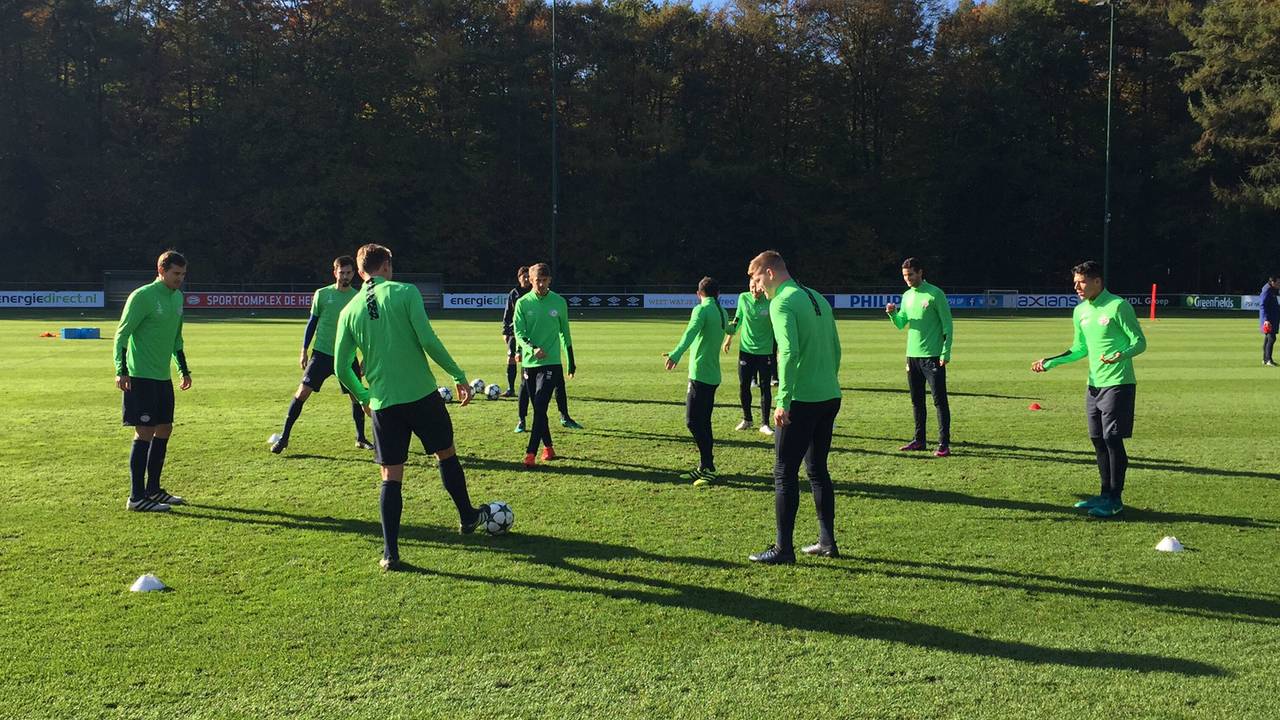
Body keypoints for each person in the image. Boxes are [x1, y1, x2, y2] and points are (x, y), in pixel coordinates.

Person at [334, 244, 491, 571]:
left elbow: (341, 366)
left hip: (383, 403)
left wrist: (363, 397)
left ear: (360, 272)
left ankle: (390, 553)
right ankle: (467, 516)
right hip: (421, 395)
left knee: (391, 476)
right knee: (445, 454)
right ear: (387, 265)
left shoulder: (349, 310)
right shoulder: (406, 292)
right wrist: (458, 375)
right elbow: (428, 339)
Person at [745, 251, 842, 565]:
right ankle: (827, 542)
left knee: (784, 473)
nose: (757, 287)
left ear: (770, 273)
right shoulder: (816, 297)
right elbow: (836, 347)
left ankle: (783, 549)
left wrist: (783, 400)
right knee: (817, 470)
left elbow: (788, 351)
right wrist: (827, 380)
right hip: (829, 395)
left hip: (802, 399)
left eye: (757, 279)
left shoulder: (782, 302)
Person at [1031, 260, 1147, 518]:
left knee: (1112, 440)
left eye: (1082, 282)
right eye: (1075, 283)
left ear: (1097, 281)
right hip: (1093, 385)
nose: (1077, 287)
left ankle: (1115, 499)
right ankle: (1104, 494)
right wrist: (1050, 362)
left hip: (1118, 383)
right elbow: (1079, 348)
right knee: (1097, 439)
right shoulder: (1080, 311)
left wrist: (1121, 355)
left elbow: (1140, 342)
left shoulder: (1118, 306)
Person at [114, 250, 193, 512]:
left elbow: (176, 339)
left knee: (165, 428)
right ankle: (136, 497)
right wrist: (121, 370)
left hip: (162, 377)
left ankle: (154, 490)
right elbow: (122, 335)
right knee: (144, 431)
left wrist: (183, 370)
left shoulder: (177, 298)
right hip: (140, 376)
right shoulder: (142, 296)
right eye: (176, 273)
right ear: (161, 271)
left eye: (183, 274)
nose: (180, 279)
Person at [270, 256, 371, 454]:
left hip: (347, 356)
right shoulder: (322, 294)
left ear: (354, 274)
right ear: (335, 273)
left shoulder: (359, 297)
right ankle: (284, 438)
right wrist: (304, 350)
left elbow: (364, 330)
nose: (345, 276)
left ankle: (360, 438)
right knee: (301, 393)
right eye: (341, 272)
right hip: (322, 355)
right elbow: (312, 323)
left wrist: (365, 358)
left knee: (357, 397)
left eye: (348, 273)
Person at [885, 257, 954, 457]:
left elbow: (947, 325)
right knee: (917, 401)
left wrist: (946, 351)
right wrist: (892, 314)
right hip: (912, 356)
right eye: (905, 275)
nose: (907, 279)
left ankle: (944, 444)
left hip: (932, 356)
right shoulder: (907, 296)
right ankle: (919, 440)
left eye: (910, 275)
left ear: (920, 272)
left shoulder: (935, 294)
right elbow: (901, 323)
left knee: (939, 401)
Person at [666, 277, 729, 486]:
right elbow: (729, 330)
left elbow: (690, 333)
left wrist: (675, 354)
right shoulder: (722, 311)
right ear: (718, 294)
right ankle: (705, 466)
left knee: (692, 421)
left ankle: (709, 466)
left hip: (700, 374)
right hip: (712, 374)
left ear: (698, 293)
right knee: (703, 422)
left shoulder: (701, 310)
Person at [513, 262, 577, 467]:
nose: (540, 284)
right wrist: (532, 348)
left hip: (552, 363)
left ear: (550, 280)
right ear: (530, 280)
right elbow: (519, 333)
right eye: (537, 280)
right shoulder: (522, 303)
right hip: (530, 363)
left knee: (540, 405)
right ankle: (548, 447)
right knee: (539, 410)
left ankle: (530, 453)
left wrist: (571, 360)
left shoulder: (559, 302)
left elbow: (565, 332)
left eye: (544, 280)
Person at [722, 276, 775, 436]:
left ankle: (765, 423)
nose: (753, 290)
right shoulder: (743, 298)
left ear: (762, 287)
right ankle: (747, 419)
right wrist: (728, 338)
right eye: (751, 286)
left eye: (756, 287)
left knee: (765, 387)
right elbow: (738, 319)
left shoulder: (771, 301)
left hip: (765, 351)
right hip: (746, 350)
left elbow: (777, 325)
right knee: (744, 385)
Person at [501, 266, 531, 396]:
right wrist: (505, 332)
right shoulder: (514, 293)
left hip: (530, 331)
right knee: (511, 358)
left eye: (528, 276)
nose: (526, 279)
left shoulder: (534, 292)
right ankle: (510, 389)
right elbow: (507, 313)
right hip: (514, 332)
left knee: (527, 360)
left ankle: (527, 388)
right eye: (524, 277)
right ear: (519, 278)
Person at [1260, 274, 1278, 367]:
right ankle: (1268, 360)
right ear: (1272, 282)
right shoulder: (1267, 290)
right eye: (1278, 282)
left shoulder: (1271, 289)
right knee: (1272, 338)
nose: (1279, 284)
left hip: (1272, 319)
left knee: (1268, 339)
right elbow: (1263, 305)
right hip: (1269, 320)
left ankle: (1265, 359)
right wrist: (1266, 320)